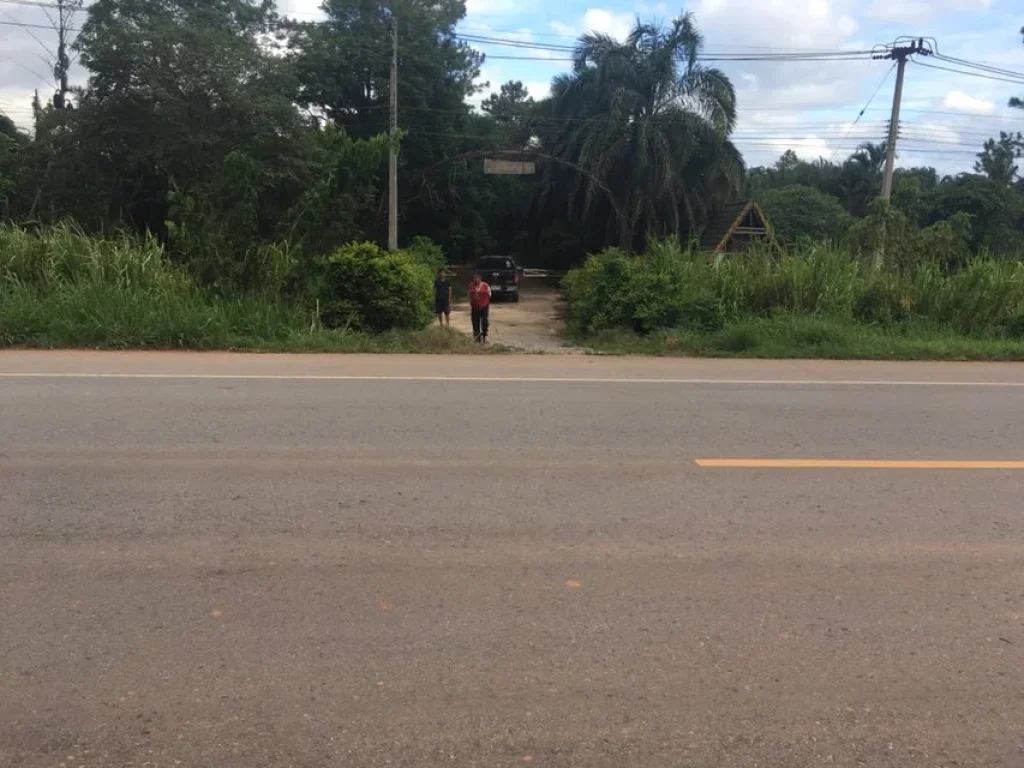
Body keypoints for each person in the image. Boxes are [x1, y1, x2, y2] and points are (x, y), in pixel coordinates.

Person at [468, 272, 491, 343]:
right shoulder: (471, 286)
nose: (475, 280)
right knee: (475, 321)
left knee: (484, 322)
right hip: (475, 307)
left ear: (480, 279)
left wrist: (484, 301)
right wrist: (471, 301)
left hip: (484, 306)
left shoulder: (486, 285)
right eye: (474, 279)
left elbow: (489, 295)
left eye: (476, 278)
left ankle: (485, 335)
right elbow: (469, 295)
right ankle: (477, 337)